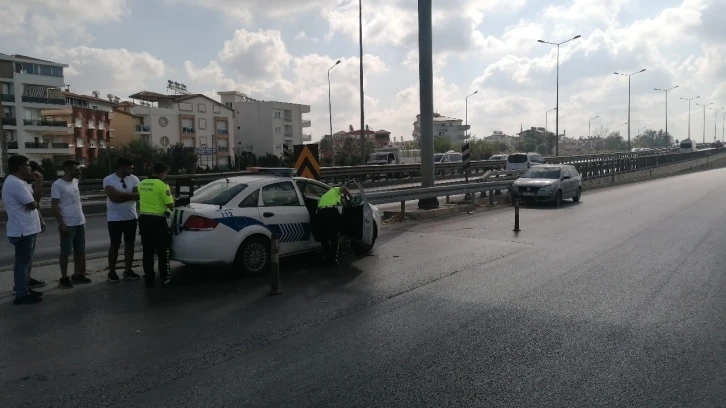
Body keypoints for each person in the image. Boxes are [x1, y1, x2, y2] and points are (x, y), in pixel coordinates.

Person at [3, 155, 43, 305]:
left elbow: (33, 203)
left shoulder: (19, 182)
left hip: (27, 228)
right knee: (22, 263)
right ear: (19, 167)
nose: (30, 168)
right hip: (22, 230)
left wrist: (40, 220)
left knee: (26, 261)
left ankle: (24, 288)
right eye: (27, 165)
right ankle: (21, 294)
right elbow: (33, 205)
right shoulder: (16, 184)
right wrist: (39, 184)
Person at [51, 160, 90, 289]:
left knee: (80, 250)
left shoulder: (75, 181)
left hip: (80, 221)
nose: (79, 171)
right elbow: (55, 205)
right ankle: (64, 277)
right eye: (76, 169)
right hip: (68, 223)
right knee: (66, 251)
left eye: (79, 169)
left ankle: (77, 274)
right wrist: (61, 223)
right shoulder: (57, 185)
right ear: (67, 170)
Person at [103, 157, 141, 283]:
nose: (131, 170)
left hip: (131, 217)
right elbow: (113, 198)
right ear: (122, 168)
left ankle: (128, 270)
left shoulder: (134, 179)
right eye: (129, 168)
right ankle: (112, 271)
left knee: (130, 244)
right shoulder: (108, 179)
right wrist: (130, 196)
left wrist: (121, 195)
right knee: (115, 244)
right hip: (115, 219)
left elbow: (138, 196)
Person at [137, 162, 174, 288]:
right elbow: (170, 205)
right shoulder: (162, 185)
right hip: (158, 221)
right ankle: (165, 277)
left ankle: (149, 278)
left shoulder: (142, 183)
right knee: (163, 251)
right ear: (162, 172)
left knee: (147, 251)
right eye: (166, 173)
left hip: (143, 220)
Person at [316, 184, 353, 266]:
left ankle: (326, 257)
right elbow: (344, 188)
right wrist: (351, 197)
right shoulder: (335, 190)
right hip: (331, 212)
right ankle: (333, 259)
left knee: (324, 237)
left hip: (321, 213)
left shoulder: (325, 196)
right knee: (334, 236)